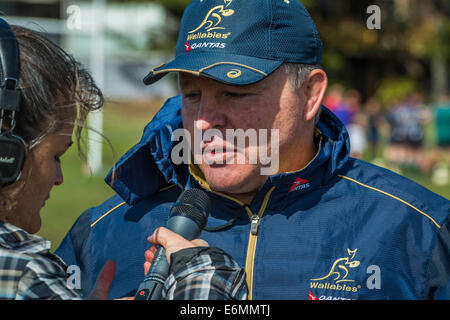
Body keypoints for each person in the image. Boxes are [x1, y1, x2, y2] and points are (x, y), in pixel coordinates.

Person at [56, 0, 450, 300]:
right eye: (191, 94)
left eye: (235, 92)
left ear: (310, 93)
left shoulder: (416, 228)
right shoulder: (104, 231)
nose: (206, 120)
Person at [0, 19, 246, 300]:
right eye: (56, 155)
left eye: (236, 94)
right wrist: (205, 274)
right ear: (6, 154)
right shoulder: (25, 273)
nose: (59, 177)